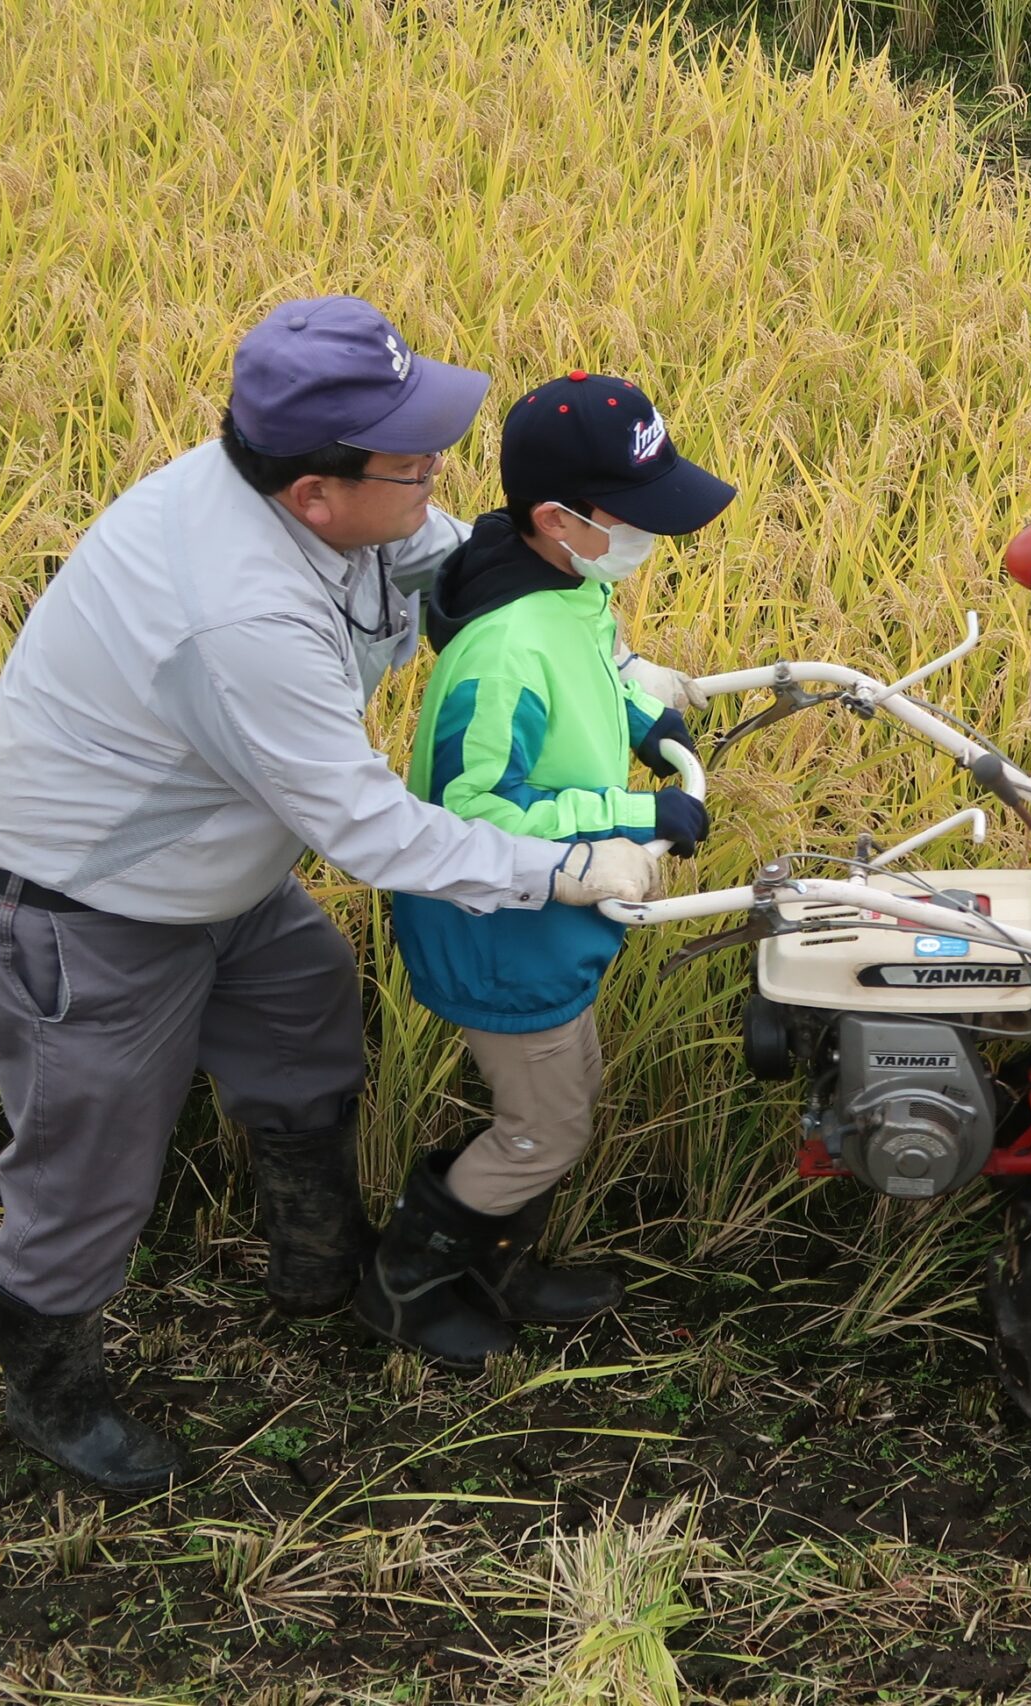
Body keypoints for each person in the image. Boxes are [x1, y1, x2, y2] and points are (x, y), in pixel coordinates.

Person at [0, 299, 665, 1492]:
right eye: (413, 460)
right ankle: (54, 1393)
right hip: (66, 914)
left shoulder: (321, 505)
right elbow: (364, 824)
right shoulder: (237, 612)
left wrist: (581, 628)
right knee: (87, 1172)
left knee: (308, 1018)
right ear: (316, 491)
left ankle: (318, 1265)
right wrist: (561, 865)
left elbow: (441, 563)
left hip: (211, 879)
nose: (436, 474)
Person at [355, 371, 732, 1367]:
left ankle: (496, 1260)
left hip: (545, 917)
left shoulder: (569, 584)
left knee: (561, 1102)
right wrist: (635, 808)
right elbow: (472, 809)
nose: (655, 535)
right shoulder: (501, 651)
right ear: (560, 518)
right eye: (637, 516)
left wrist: (644, 716)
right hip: (497, 927)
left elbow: (598, 671)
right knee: (543, 1129)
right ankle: (411, 1279)